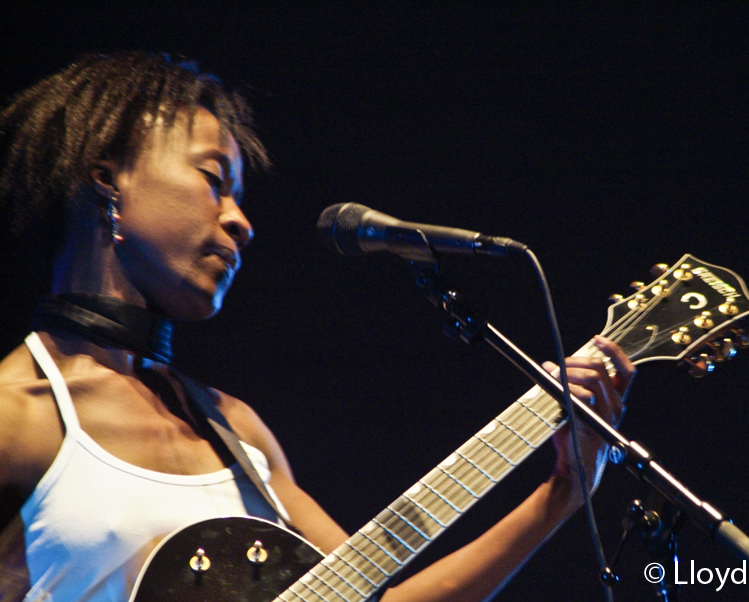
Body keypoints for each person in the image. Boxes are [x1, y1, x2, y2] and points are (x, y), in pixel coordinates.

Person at [0, 52, 634, 602]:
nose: (239, 221)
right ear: (108, 178)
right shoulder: (13, 413)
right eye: (213, 181)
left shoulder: (235, 432)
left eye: (238, 197)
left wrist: (563, 494)